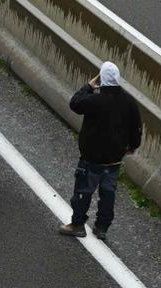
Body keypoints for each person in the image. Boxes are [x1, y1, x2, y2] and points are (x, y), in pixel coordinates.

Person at [59, 61, 142, 241]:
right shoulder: (128, 101)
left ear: (101, 79)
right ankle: (102, 227)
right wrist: (133, 146)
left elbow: (75, 103)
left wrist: (88, 87)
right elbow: (136, 127)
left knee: (83, 191)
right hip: (114, 159)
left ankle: (77, 225)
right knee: (108, 194)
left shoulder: (94, 100)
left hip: (92, 157)